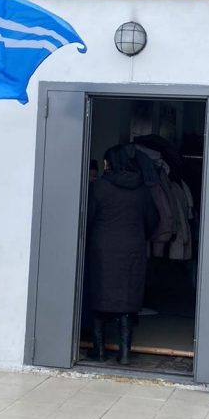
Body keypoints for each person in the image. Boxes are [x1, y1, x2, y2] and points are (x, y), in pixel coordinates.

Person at [86, 144, 158, 365]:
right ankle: (125, 353)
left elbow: (87, 218)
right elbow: (153, 220)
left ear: (109, 163)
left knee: (99, 296)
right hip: (132, 250)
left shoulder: (98, 188)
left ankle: (99, 351)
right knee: (127, 299)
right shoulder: (142, 189)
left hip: (102, 250)